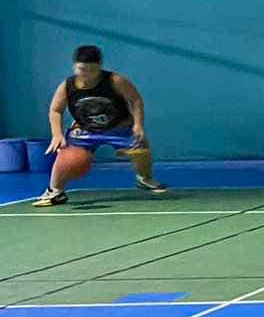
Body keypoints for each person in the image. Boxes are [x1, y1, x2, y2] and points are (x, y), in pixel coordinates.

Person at [36, 46, 167, 207]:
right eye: (82, 69)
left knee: (141, 148)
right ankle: (55, 191)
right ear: (74, 67)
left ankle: (144, 179)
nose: (86, 74)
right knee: (65, 156)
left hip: (119, 127)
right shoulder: (67, 86)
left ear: (100, 67)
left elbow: (135, 100)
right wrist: (57, 134)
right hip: (85, 130)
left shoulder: (115, 81)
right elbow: (55, 110)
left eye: (92, 70)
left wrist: (138, 125)